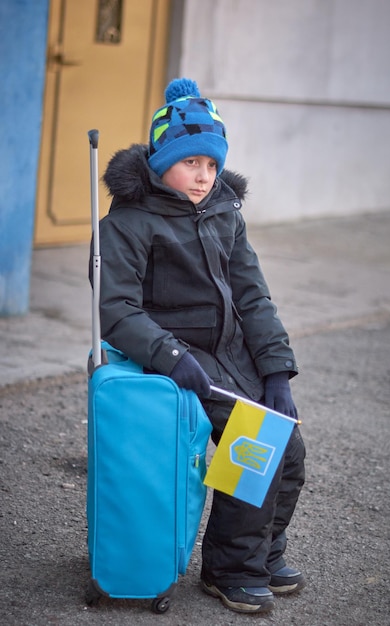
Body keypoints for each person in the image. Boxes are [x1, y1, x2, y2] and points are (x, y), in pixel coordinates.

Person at [90, 77, 306, 614]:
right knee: (254, 442)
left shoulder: (225, 214)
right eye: (191, 163)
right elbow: (114, 310)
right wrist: (170, 355)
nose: (203, 176)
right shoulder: (128, 224)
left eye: (211, 165)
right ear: (162, 159)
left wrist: (276, 373)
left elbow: (254, 297)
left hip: (231, 354)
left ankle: (260, 551)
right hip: (176, 355)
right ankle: (230, 569)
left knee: (290, 449)